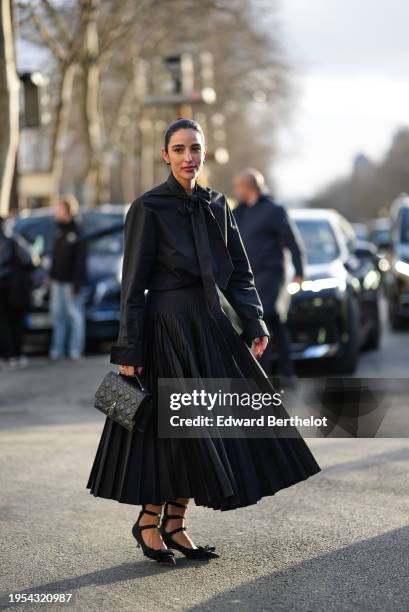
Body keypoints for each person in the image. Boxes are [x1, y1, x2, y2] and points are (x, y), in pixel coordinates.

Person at [86, 118, 321, 565]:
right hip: (166, 328)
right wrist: (129, 350)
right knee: (175, 431)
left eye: (195, 148)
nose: (188, 157)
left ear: (204, 153)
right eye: (179, 149)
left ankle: (175, 523)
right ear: (165, 156)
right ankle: (149, 521)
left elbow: (239, 269)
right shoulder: (147, 207)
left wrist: (254, 320)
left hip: (210, 324)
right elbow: (132, 286)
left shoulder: (217, 203)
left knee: (211, 427)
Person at [233, 168, 306, 384]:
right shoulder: (239, 213)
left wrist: (299, 272)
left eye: (239, 186)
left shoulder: (274, 210)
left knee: (261, 319)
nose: (236, 191)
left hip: (272, 275)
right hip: (249, 279)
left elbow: (292, 242)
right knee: (275, 324)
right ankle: (287, 372)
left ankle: (262, 377)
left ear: (249, 186)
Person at [48, 195, 87, 361]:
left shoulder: (77, 232)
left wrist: (77, 285)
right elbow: (55, 258)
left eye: (59, 209)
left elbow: (80, 261)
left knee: (75, 317)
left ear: (68, 211)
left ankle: (75, 350)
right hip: (57, 282)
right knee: (58, 316)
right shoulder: (57, 230)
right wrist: (50, 276)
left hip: (71, 283)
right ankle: (57, 350)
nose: (56, 212)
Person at [0, 216, 34, 369]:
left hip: (7, 288)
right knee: (16, 322)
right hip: (15, 288)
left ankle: (8, 355)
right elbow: (30, 260)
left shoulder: (11, 240)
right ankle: (16, 354)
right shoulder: (14, 240)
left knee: (5, 323)